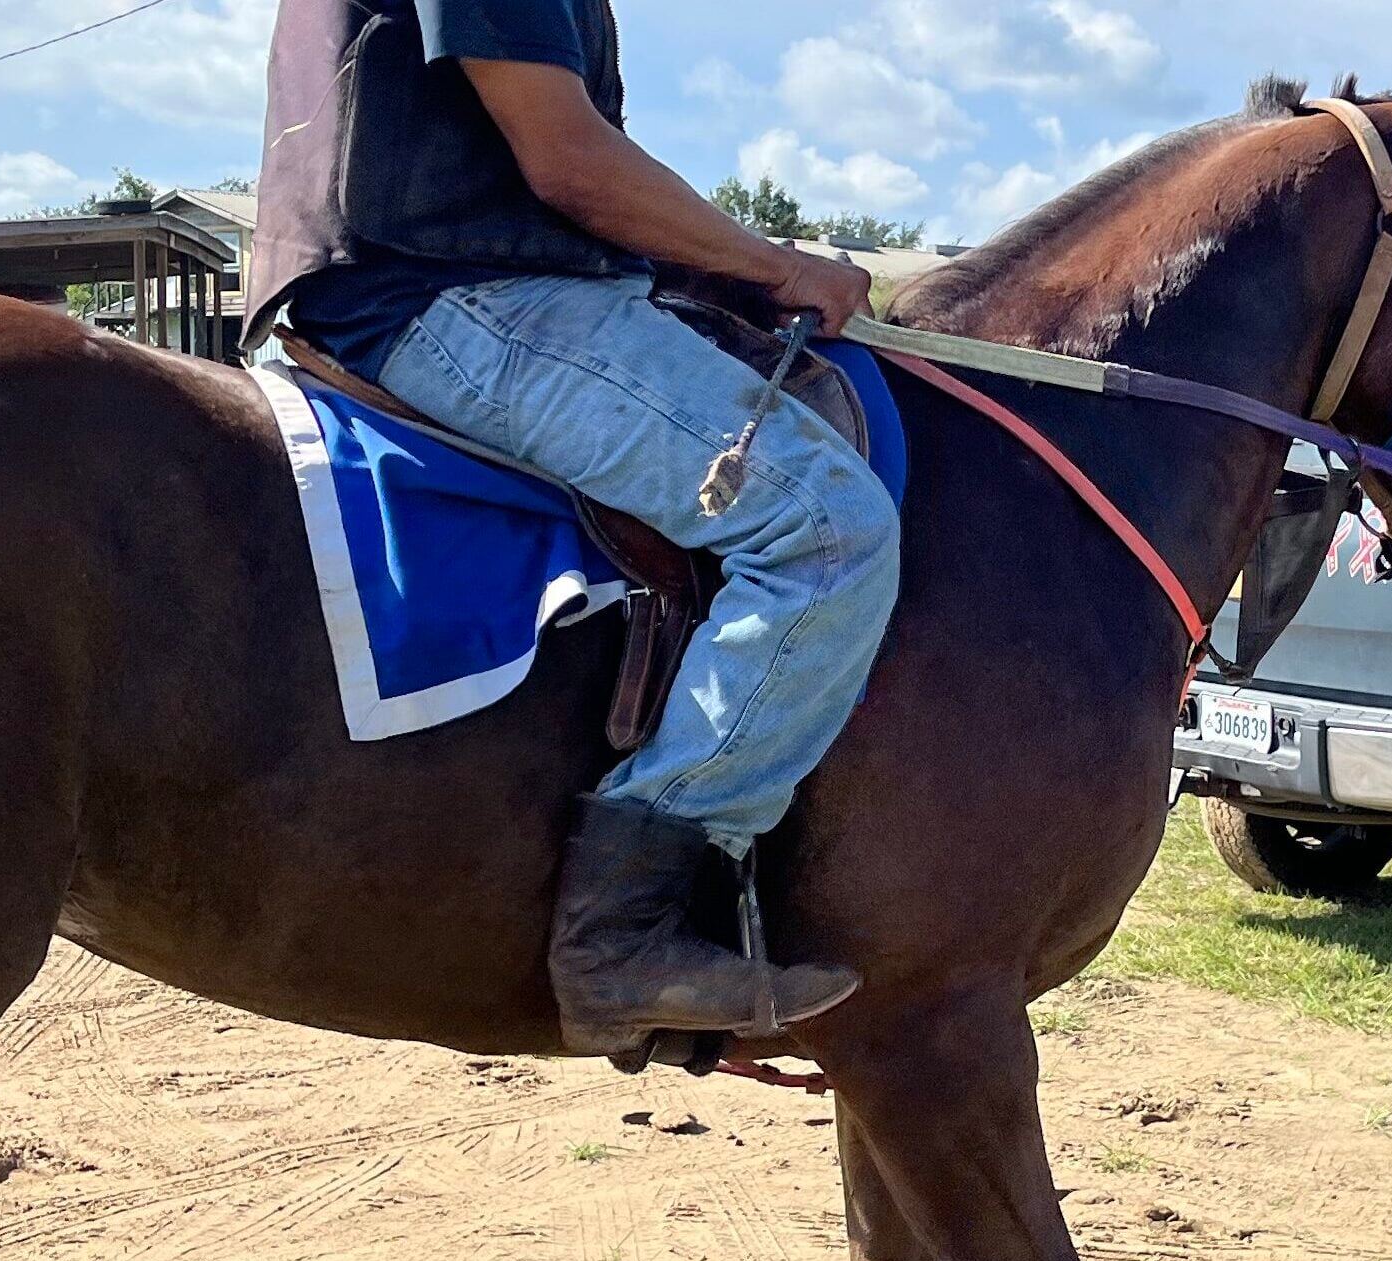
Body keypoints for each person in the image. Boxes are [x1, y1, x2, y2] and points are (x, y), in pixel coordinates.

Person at [247, 0, 901, 1054]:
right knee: (826, 529)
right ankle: (625, 935)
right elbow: (567, 159)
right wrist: (777, 266)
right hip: (457, 297)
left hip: (447, 279)